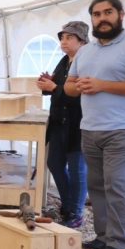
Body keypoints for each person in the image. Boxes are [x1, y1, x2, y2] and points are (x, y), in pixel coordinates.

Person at [65, 0, 125, 249]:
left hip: (121, 129)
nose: (102, 19)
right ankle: (103, 237)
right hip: (89, 129)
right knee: (97, 186)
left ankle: (121, 243)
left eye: (108, 13)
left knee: (117, 186)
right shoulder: (86, 50)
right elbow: (68, 86)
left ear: (121, 15)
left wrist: (103, 85)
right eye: (97, 14)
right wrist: (76, 87)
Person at [36, 21, 88, 228]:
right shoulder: (64, 61)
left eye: (69, 38)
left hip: (78, 123)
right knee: (54, 163)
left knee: (77, 169)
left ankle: (76, 212)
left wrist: (54, 86)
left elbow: (77, 96)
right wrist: (47, 84)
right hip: (58, 121)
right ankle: (68, 205)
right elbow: (59, 89)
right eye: (62, 38)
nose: (63, 42)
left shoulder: (87, 62)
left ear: (82, 40)